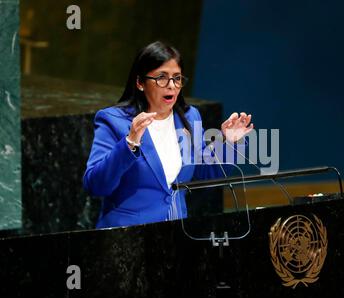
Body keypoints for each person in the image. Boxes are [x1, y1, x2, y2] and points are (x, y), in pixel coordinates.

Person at [83, 41, 253, 228]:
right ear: (140, 83)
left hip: (176, 235)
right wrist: (129, 143)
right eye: (162, 78)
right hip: (127, 237)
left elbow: (205, 174)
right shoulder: (114, 121)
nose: (171, 85)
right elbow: (96, 185)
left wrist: (227, 143)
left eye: (177, 78)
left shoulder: (189, 116)